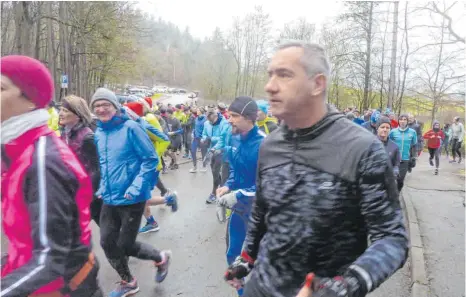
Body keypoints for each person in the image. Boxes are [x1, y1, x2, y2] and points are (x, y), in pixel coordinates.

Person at [224, 41, 407, 297]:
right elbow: (262, 213)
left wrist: (346, 285)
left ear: (317, 84)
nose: (270, 85)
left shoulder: (362, 149)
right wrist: (246, 259)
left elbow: (392, 239)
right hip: (261, 288)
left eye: (284, 75)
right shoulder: (271, 145)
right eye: (270, 75)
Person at [1, 55, 102, 297]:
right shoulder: (16, 150)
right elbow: (25, 242)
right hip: (36, 280)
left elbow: (50, 259)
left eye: (1, 87)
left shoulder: (42, 162)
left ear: (30, 101)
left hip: (64, 289)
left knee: (115, 242)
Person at [91, 88, 172, 297]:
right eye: (97, 106)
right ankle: (128, 281)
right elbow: (104, 164)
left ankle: (160, 257)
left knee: (125, 245)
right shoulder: (99, 133)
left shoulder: (131, 128)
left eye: (105, 105)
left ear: (115, 107)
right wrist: (101, 187)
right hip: (109, 197)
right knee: (107, 242)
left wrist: (135, 186)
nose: (101, 109)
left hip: (133, 197)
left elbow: (150, 159)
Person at [216, 96, 265, 296]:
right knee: (233, 256)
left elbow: (267, 184)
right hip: (239, 211)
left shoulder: (264, 144)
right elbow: (235, 172)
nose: (229, 119)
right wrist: (226, 187)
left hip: (261, 215)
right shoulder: (234, 138)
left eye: (234, 116)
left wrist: (240, 194)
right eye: (229, 115)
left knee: (259, 263)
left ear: (249, 118)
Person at [59, 95, 102, 225]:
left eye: (65, 111)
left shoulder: (87, 137)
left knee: (112, 240)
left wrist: (88, 195)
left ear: (78, 115)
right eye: (60, 110)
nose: (60, 113)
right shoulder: (66, 133)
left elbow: (97, 170)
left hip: (90, 196)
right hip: (74, 192)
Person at [202, 108, 230, 203]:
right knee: (215, 171)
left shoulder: (224, 123)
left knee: (215, 171)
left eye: (212, 121)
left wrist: (211, 138)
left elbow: (223, 138)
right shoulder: (207, 123)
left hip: (220, 151)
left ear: (216, 115)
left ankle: (214, 193)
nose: (210, 123)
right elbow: (204, 134)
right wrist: (204, 138)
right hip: (211, 150)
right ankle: (222, 186)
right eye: (209, 121)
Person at [389, 114, 418, 191]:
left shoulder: (412, 132)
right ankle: (393, 196)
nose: (402, 121)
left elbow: (414, 145)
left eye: (405, 119)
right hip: (394, 159)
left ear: (407, 121)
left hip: (405, 159)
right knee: (391, 179)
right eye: (401, 119)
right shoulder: (393, 132)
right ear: (398, 121)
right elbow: (388, 143)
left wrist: (414, 157)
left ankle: (397, 193)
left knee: (400, 180)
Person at [190, 106, 209, 173]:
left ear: (201, 111)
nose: (196, 111)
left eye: (198, 110)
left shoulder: (206, 119)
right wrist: (192, 133)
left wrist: (204, 138)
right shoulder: (196, 118)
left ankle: (204, 166)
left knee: (203, 153)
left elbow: (207, 129)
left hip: (202, 138)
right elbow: (194, 127)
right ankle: (195, 167)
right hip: (195, 138)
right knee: (192, 151)